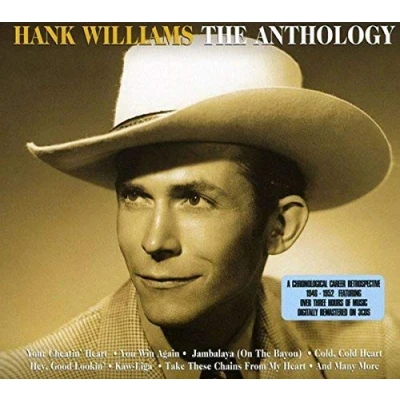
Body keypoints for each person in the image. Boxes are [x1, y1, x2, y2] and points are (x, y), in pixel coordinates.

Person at [0, 35, 399, 379]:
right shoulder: (28, 380)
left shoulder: (373, 341)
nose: (154, 242)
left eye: (194, 199)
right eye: (135, 197)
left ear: (281, 225)